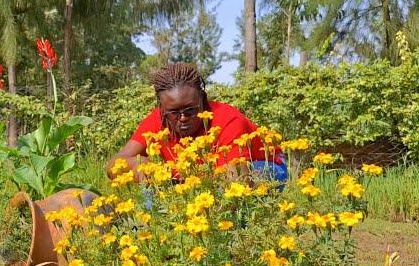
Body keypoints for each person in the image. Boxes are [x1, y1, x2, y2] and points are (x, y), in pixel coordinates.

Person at [105, 62, 287, 184]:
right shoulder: (157, 119)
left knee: (245, 185)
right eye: (174, 112)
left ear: (202, 99)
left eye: (190, 110)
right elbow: (113, 164)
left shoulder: (228, 121)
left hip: (264, 165)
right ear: (163, 108)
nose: (182, 117)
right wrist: (150, 169)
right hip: (196, 178)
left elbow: (236, 183)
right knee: (154, 187)